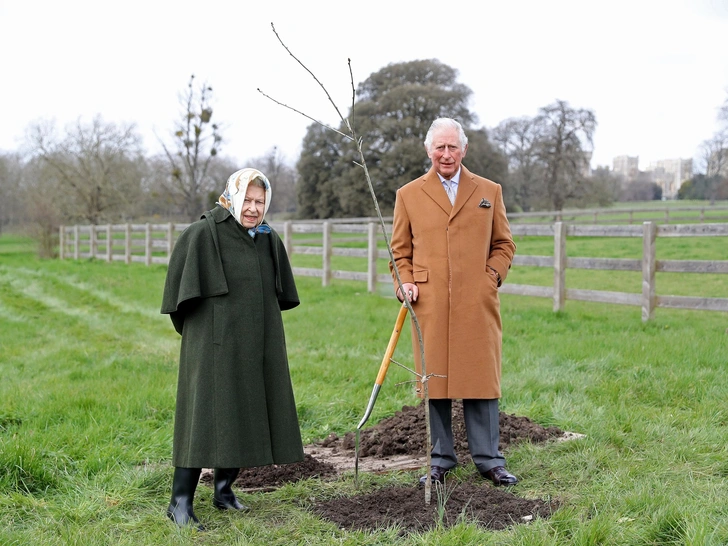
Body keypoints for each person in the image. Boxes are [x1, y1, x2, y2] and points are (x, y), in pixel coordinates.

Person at [160, 168, 303, 529]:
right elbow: (179, 302)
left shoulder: (267, 239)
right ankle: (179, 503)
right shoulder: (202, 234)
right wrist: (204, 338)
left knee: (245, 408)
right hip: (213, 344)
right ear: (233, 196)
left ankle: (224, 491)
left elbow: (280, 293)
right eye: (248, 200)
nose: (254, 208)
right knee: (202, 416)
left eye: (260, 201)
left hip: (256, 342)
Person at [389, 118, 518, 487]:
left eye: (453, 147)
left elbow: (504, 244)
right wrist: (407, 283)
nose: (446, 154)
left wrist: (490, 277)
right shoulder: (409, 194)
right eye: (439, 147)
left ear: (464, 150)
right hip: (429, 303)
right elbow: (399, 252)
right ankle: (440, 459)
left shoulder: (488, 191)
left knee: (480, 377)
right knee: (436, 380)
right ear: (429, 150)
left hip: (476, 301)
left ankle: (490, 460)